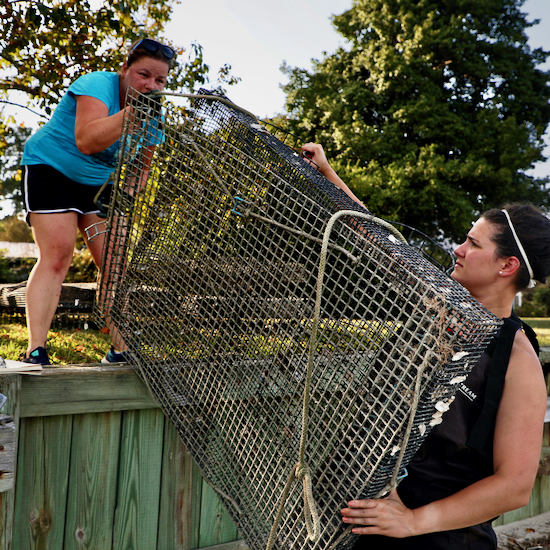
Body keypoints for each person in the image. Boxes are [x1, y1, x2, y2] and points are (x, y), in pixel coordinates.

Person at [301, 142, 550, 549]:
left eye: (473, 243)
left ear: (507, 266)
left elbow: (514, 487)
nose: (458, 248)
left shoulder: (518, 362)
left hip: (440, 539)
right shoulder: (436, 301)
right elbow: (375, 237)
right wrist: (327, 173)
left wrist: (415, 521)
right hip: (364, 526)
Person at [20, 38, 176, 365]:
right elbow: (87, 140)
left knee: (114, 263)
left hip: (98, 186)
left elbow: (140, 168)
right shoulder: (96, 85)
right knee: (59, 253)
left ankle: (120, 351)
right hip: (52, 169)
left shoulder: (154, 117)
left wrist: (124, 201)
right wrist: (130, 115)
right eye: (143, 75)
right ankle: (36, 351)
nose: (150, 85)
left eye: (159, 80)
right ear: (125, 70)